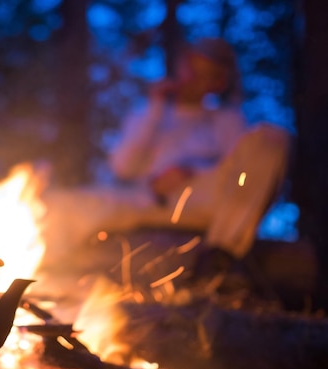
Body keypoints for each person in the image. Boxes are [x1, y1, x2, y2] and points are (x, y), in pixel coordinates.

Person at [41, 38, 290, 279]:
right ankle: (47, 271)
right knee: (58, 203)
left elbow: (240, 176)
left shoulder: (226, 121)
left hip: (205, 200)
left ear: (219, 82)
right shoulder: (149, 115)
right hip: (148, 199)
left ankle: (220, 257)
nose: (193, 79)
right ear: (181, 66)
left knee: (272, 137)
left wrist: (191, 171)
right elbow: (123, 167)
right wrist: (155, 110)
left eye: (206, 74)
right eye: (191, 69)